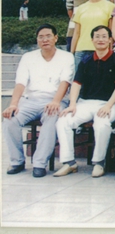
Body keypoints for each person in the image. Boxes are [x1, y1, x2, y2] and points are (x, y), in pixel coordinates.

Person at [54, 26, 115, 178]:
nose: (100, 39)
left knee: (102, 123)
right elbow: (76, 83)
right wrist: (72, 104)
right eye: (97, 36)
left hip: (109, 104)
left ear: (110, 40)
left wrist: (108, 105)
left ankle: (99, 162)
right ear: (92, 40)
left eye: (104, 36)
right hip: (85, 103)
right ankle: (69, 162)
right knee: (63, 121)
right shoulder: (86, 60)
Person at [3, 24, 73, 177]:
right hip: (30, 100)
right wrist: (13, 104)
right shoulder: (28, 57)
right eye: (41, 37)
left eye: (48, 36)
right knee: (10, 119)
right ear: (37, 40)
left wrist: (56, 101)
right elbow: (20, 82)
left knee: (52, 116)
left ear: (56, 38)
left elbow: (65, 82)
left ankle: (39, 163)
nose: (44, 40)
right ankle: (17, 161)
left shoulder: (66, 57)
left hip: (55, 100)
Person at [70, 0, 115, 66]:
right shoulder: (81, 8)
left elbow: (111, 32)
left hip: (102, 50)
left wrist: (110, 51)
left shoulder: (110, 6)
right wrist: (71, 53)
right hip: (81, 51)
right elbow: (76, 33)